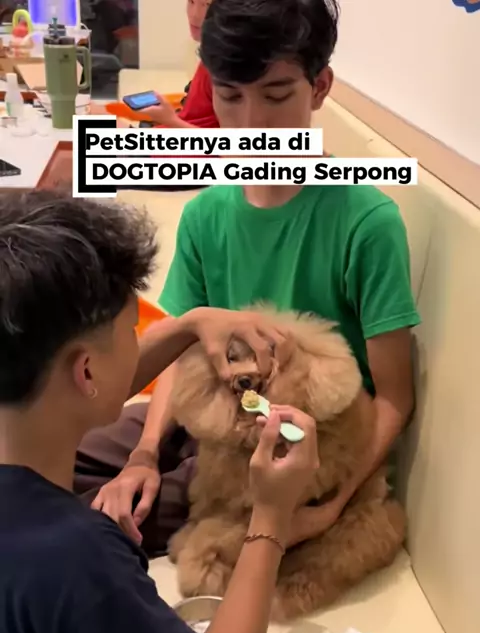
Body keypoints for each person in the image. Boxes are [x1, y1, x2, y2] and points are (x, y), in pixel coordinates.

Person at [0, 189, 318, 633]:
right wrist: (270, 515)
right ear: (86, 370)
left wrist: (189, 324)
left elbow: (80, 385)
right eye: (132, 330)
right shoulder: (77, 559)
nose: (139, 341)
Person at [75, 0, 420, 555]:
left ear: (320, 86)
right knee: (42, 449)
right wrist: (144, 453)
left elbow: (395, 399)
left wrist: (330, 509)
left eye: (276, 95)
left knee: (91, 525)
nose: (252, 123)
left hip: (295, 447)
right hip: (207, 412)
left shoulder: (367, 222)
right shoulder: (206, 214)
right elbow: (180, 353)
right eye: (230, 96)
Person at [136, 0, 217, 131]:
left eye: (206, 5)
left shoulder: (224, 65)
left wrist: (171, 120)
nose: (194, 15)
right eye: (191, 2)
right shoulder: (209, 54)